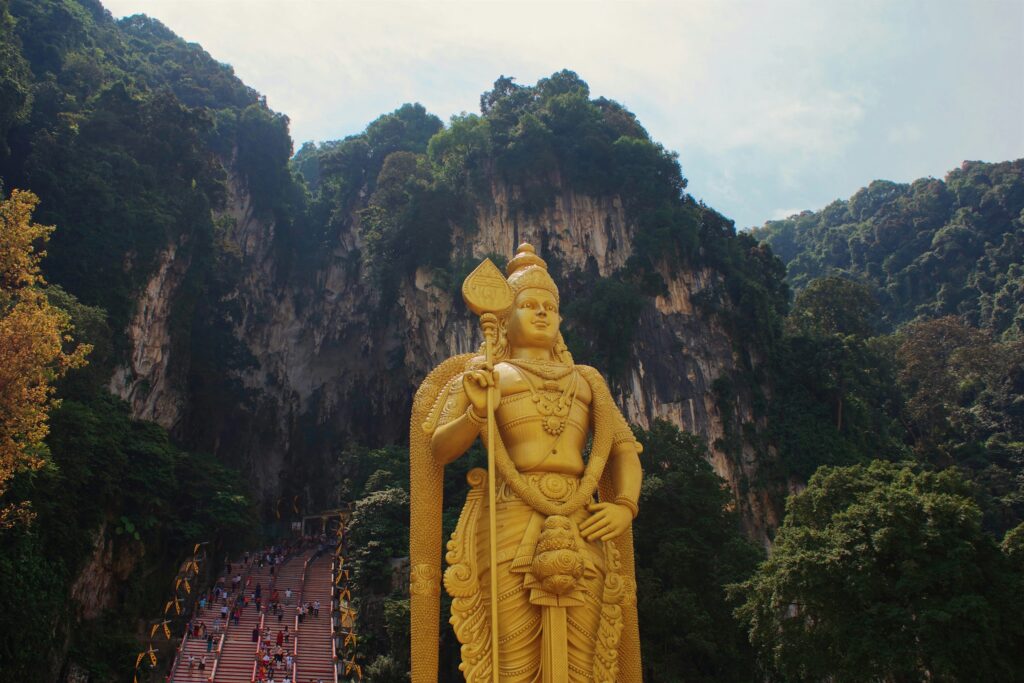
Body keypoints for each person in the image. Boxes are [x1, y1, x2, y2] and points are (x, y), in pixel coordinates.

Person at [411, 244, 643, 682]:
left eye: (550, 307)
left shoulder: (588, 380)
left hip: (581, 518)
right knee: (510, 657)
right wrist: (477, 411)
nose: (542, 314)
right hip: (507, 514)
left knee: (584, 658)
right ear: (503, 317)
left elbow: (623, 450)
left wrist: (624, 504)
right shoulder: (485, 372)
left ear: (560, 320)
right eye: (529, 305)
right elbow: (438, 450)